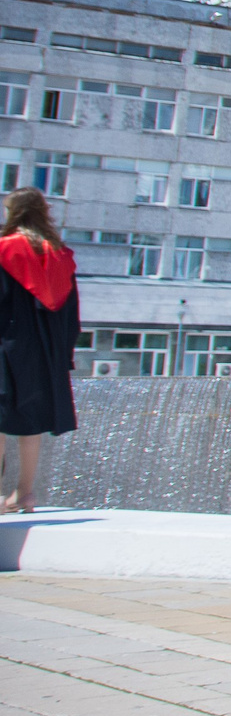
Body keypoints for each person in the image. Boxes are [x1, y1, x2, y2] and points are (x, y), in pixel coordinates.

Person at [0, 189, 79, 512]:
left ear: (13, 212)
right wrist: (62, 358)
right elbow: (71, 316)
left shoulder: (4, 251)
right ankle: (25, 494)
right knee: (29, 424)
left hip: (6, 346)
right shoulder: (60, 255)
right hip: (44, 353)